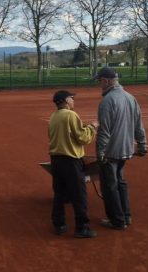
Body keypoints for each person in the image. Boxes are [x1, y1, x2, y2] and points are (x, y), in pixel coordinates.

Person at [94, 67, 147, 230]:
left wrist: (100, 152)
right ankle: (126, 215)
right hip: (126, 149)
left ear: (107, 81)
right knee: (121, 183)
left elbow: (105, 131)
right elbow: (139, 124)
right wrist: (142, 144)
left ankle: (117, 220)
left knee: (110, 186)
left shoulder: (107, 101)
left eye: (100, 81)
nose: (99, 84)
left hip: (111, 151)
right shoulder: (131, 98)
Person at [48, 90, 99, 238]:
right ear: (65, 100)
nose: (73, 100)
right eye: (71, 98)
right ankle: (81, 228)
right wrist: (93, 127)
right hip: (70, 161)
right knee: (79, 195)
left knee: (59, 194)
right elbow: (83, 138)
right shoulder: (70, 115)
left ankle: (59, 224)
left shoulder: (53, 117)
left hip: (56, 160)